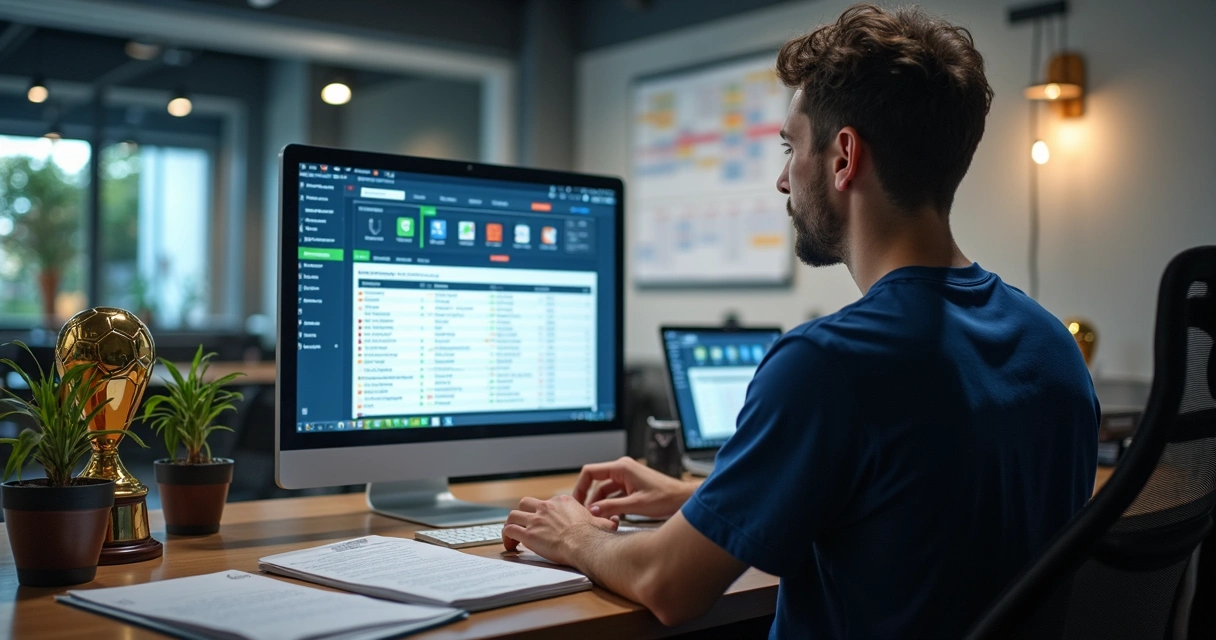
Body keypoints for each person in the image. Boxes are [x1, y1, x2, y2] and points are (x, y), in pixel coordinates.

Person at [501, 4, 1099, 637]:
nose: (783, 180)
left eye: (790, 147)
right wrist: (699, 501)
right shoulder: (1051, 347)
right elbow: (919, 513)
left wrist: (574, 535)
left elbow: (668, 584)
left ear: (844, 157)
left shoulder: (828, 363)